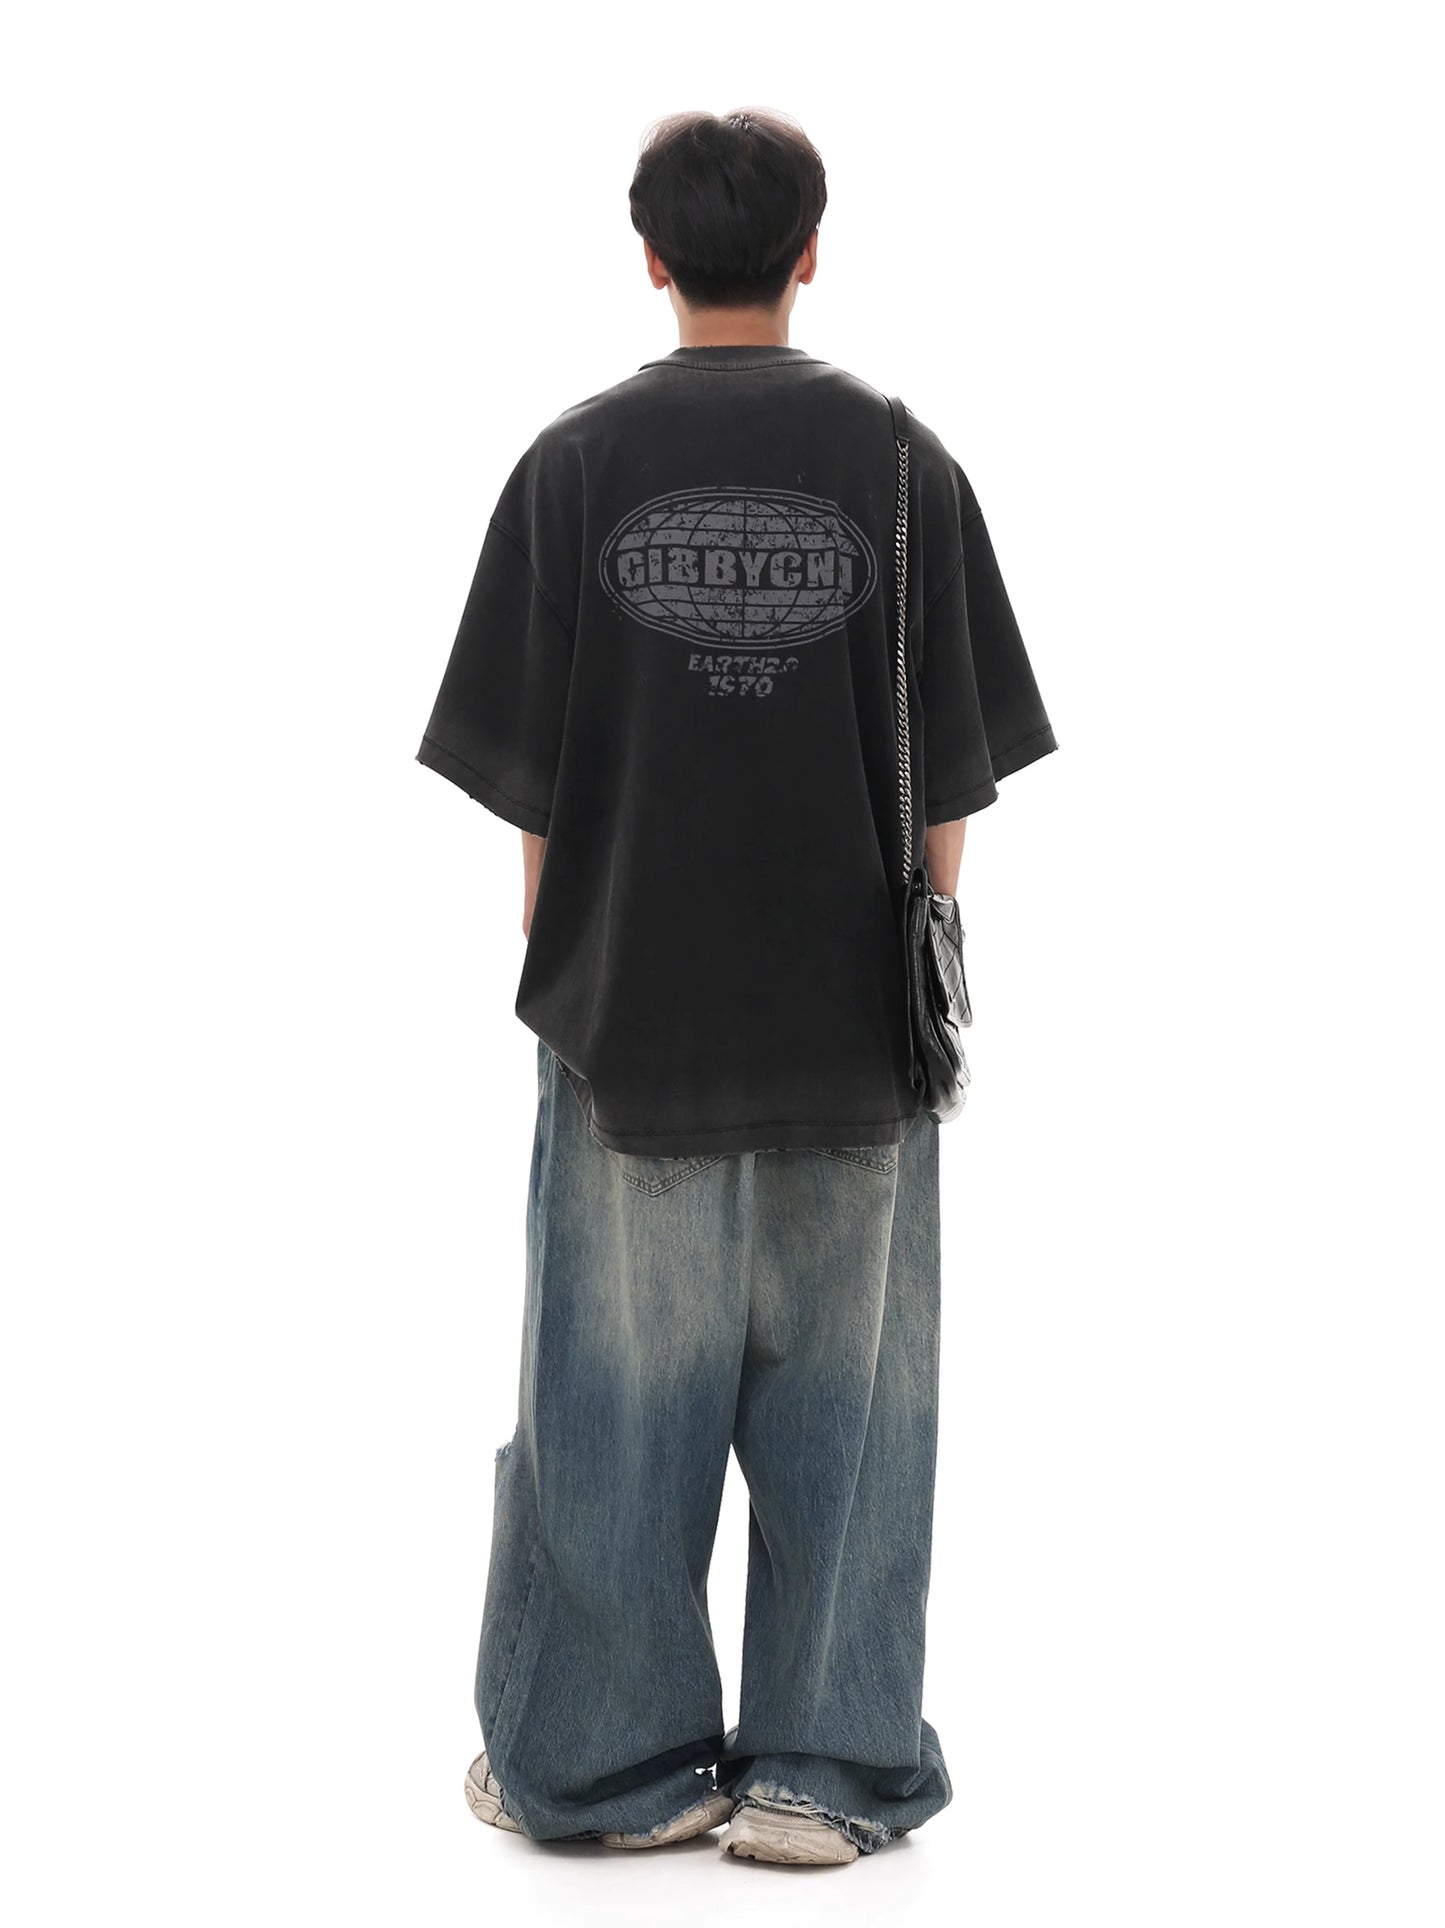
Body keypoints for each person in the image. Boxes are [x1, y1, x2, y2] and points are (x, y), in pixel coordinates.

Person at [415, 107, 1058, 1867]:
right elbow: (948, 787)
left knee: (608, 1411)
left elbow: (532, 790)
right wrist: (920, 950)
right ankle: (823, 1775)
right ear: (810, 250)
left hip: (631, 1014)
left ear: (648, 257)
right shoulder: (906, 466)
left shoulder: (569, 466)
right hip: (852, 1025)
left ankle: (611, 1772)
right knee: (852, 1415)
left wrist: (568, 963)